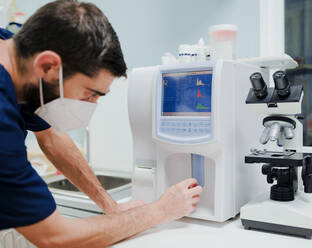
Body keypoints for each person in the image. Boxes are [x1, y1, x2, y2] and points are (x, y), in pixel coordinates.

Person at [0, 0, 202, 247]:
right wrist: (160, 211)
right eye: (89, 94)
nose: (90, 106)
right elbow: (56, 237)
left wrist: (110, 205)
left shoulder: (16, 54)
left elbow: (51, 136)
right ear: (48, 66)